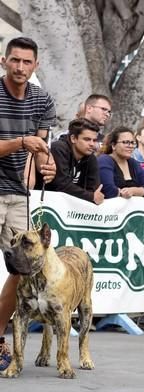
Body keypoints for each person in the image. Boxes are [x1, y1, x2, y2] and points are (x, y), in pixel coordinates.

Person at [0, 37, 57, 370]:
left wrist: (46, 165)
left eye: (27, 62)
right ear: (4, 60)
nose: (20, 67)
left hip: (19, 193)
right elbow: (28, 142)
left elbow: (42, 149)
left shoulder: (42, 99)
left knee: (21, 269)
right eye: (15, 60)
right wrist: (22, 141)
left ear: (36, 66)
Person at [35, 118, 103, 204]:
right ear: (73, 138)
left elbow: (93, 188)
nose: (92, 144)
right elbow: (61, 185)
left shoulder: (90, 157)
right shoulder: (58, 148)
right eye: (87, 139)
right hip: (44, 205)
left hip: (70, 210)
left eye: (94, 140)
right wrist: (90, 196)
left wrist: (92, 195)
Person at [98, 127, 144, 199]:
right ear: (113, 145)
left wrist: (133, 191)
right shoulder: (104, 160)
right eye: (125, 142)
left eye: (132, 143)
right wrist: (123, 193)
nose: (130, 146)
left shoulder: (134, 163)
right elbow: (108, 190)